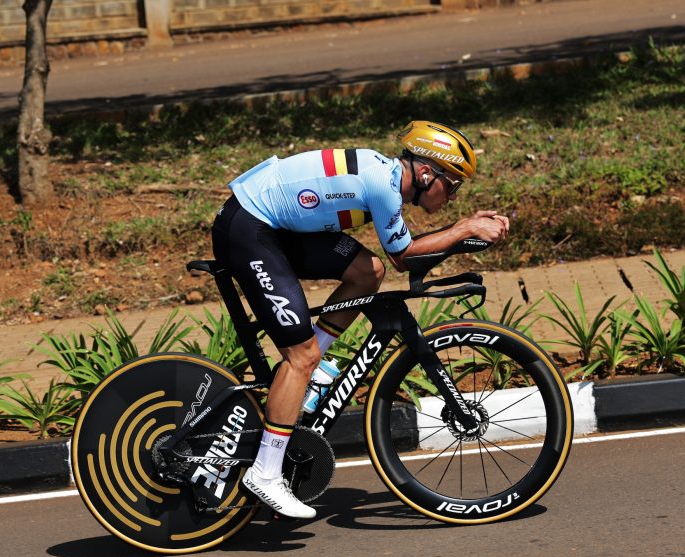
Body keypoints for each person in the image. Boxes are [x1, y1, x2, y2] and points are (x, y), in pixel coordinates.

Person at [211, 120, 509, 519]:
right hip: (249, 229)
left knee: (367, 272)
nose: (453, 195)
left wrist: (460, 229)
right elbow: (405, 256)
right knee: (299, 358)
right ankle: (265, 473)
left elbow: (394, 258)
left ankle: (313, 362)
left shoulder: (383, 178)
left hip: (275, 226)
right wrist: (464, 229)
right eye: (451, 184)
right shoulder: (381, 185)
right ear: (425, 174)